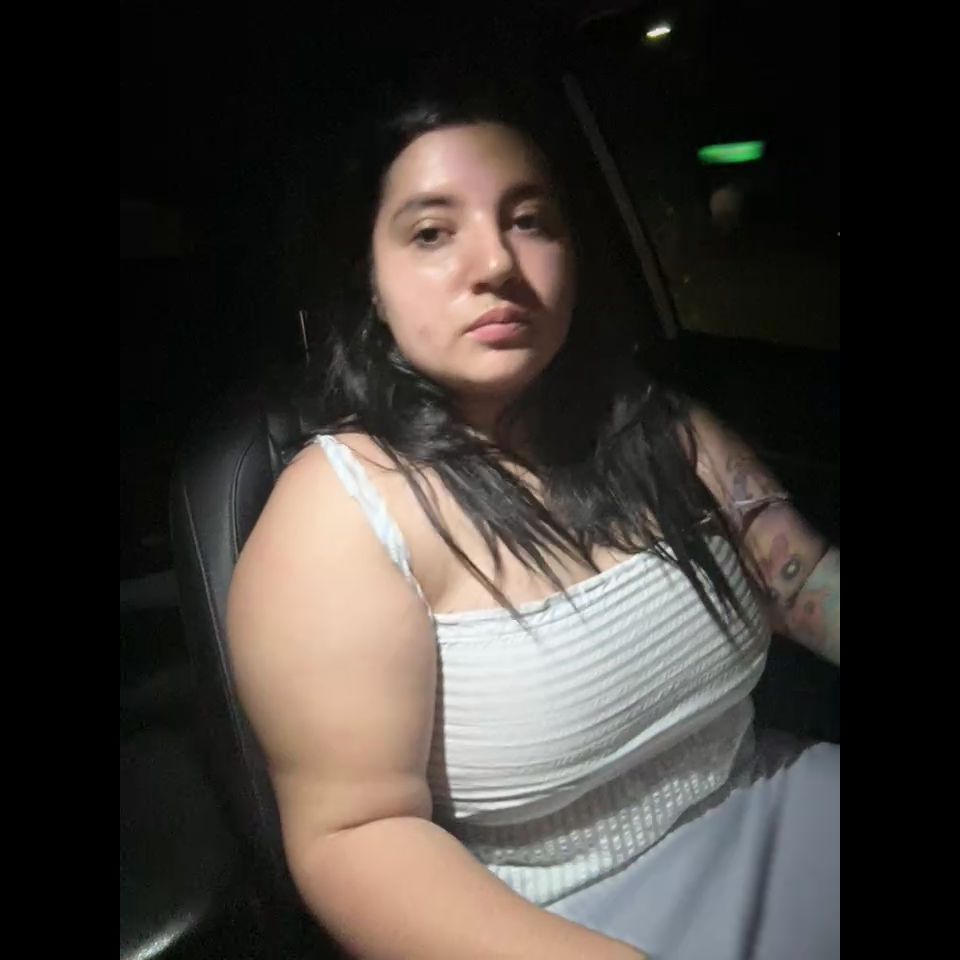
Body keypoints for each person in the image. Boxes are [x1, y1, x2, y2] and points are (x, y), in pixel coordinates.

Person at [226, 85, 840, 960]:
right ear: (372, 284)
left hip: (784, 807)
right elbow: (355, 834)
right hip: (555, 923)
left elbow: (804, 582)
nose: (496, 264)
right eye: (431, 233)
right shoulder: (338, 519)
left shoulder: (659, 427)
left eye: (528, 221)